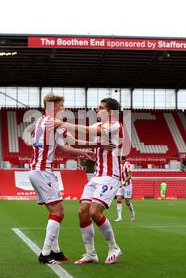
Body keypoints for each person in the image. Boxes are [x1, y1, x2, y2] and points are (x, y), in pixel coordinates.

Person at [29, 93, 101, 264]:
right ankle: (45, 254)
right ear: (52, 106)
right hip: (42, 171)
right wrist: (97, 140)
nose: (62, 108)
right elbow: (73, 137)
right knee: (58, 212)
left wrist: (84, 152)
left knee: (55, 212)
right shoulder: (50, 121)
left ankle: (55, 251)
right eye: (61, 105)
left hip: (40, 171)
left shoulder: (45, 122)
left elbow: (64, 146)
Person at [59, 98, 123, 265]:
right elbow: (76, 142)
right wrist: (64, 132)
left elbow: (87, 131)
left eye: (100, 108)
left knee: (95, 212)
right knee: (83, 212)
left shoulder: (115, 125)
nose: (96, 110)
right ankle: (90, 254)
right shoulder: (98, 127)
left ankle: (114, 248)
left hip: (110, 175)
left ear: (110, 112)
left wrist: (63, 124)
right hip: (96, 176)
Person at [115, 156, 135, 222]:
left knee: (127, 202)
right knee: (118, 200)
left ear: (123, 159)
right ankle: (119, 217)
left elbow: (130, 176)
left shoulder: (128, 165)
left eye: (120, 159)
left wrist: (124, 181)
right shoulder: (119, 165)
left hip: (127, 185)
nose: (119, 160)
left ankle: (132, 213)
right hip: (120, 185)